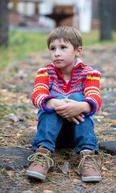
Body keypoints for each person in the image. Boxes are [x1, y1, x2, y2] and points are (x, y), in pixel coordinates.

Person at [26, 26, 102, 183]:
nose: (56, 53)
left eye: (63, 47)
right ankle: (43, 153)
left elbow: (94, 96)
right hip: (51, 134)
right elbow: (37, 94)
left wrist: (81, 106)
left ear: (78, 50)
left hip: (77, 133)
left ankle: (87, 155)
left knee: (77, 97)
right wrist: (54, 102)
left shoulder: (90, 74)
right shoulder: (45, 72)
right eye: (52, 48)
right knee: (50, 100)